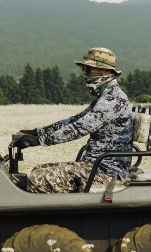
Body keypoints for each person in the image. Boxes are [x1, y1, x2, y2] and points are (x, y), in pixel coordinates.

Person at [15, 47, 134, 194]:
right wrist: (37, 132)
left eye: (88, 69)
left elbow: (78, 128)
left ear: (104, 71)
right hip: (95, 165)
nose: (84, 73)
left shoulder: (112, 100)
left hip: (105, 171)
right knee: (38, 170)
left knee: (38, 178)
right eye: (84, 68)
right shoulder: (107, 96)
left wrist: (39, 140)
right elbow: (75, 120)